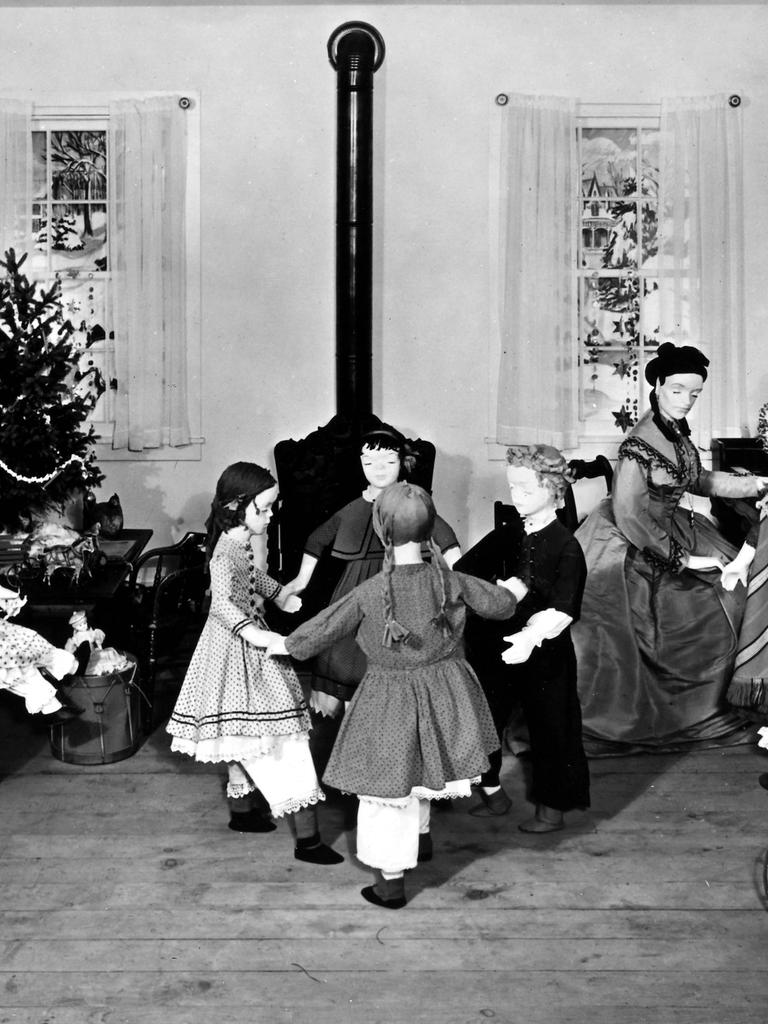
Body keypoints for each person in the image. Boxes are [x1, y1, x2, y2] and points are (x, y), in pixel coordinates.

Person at [268, 482, 523, 908]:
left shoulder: (370, 592)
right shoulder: (451, 580)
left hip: (390, 700)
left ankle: (390, 883)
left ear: (382, 532)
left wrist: (277, 642)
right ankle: (421, 843)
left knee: (388, 791)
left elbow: (318, 632)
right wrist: (515, 588)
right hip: (446, 692)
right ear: (431, 530)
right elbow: (501, 605)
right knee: (426, 770)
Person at [572, 342, 768, 754]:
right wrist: (687, 558)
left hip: (669, 525)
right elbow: (631, 516)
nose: (686, 401)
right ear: (658, 385)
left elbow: (699, 480)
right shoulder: (639, 442)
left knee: (732, 594)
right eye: (677, 390)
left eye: (694, 394)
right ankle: (666, 715)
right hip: (630, 540)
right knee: (650, 625)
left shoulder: (675, 431)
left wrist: (756, 484)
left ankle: (709, 703)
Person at [166, 462, 342, 865]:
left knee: (239, 734)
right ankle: (308, 840)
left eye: (271, 508)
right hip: (235, 645)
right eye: (262, 509)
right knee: (280, 737)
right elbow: (224, 602)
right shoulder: (225, 550)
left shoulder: (236, 540)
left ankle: (244, 814)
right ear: (235, 505)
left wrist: (279, 594)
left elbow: (250, 576)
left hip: (236, 643)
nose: (269, 515)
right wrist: (254, 633)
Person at [283, 423, 461, 720]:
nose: (378, 469)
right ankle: (358, 726)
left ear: (402, 463)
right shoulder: (353, 507)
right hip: (358, 587)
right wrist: (301, 580)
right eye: (369, 462)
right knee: (349, 656)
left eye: (388, 462)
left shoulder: (413, 501)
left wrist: (458, 576)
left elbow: (446, 537)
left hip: (406, 585)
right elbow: (317, 539)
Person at [457, 445, 590, 833]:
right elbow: (465, 572)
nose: (516, 497)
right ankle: (492, 792)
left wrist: (530, 637)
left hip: (544, 651)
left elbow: (563, 609)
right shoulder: (507, 533)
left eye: (526, 490)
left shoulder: (567, 546)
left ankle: (552, 808)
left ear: (553, 490)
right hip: (493, 644)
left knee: (552, 724)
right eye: (512, 488)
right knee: (485, 717)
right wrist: (492, 594)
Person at [0, 581, 82, 724]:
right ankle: (52, 709)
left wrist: (11, 597)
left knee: (31, 644)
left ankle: (72, 667)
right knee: (16, 668)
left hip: (5, 632)